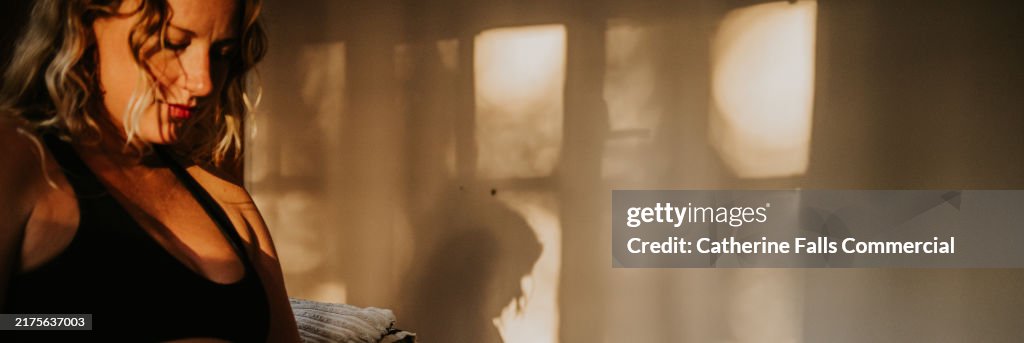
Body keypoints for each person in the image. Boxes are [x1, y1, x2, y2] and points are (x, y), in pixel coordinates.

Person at [0, 0, 301, 341]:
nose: (202, 82)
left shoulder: (230, 204)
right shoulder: (17, 154)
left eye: (222, 52)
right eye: (172, 42)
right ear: (84, 25)